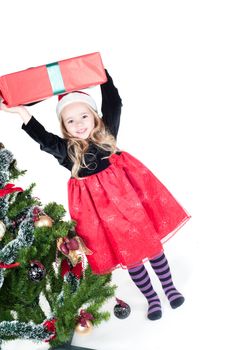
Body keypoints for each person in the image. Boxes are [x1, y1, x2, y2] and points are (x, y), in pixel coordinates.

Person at [0, 69, 190, 320]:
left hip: (131, 205)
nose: (79, 124)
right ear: (64, 127)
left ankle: (169, 287)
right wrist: (21, 112)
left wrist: (102, 74)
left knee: (152, 248)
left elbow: (114, 103)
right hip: (103, 217)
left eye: (83, 116)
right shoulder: (67, 152)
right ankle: (152, 298)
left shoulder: (107, 136)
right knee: (131, 257)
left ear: (94, 116)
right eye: (70, 121)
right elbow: (43, 138)